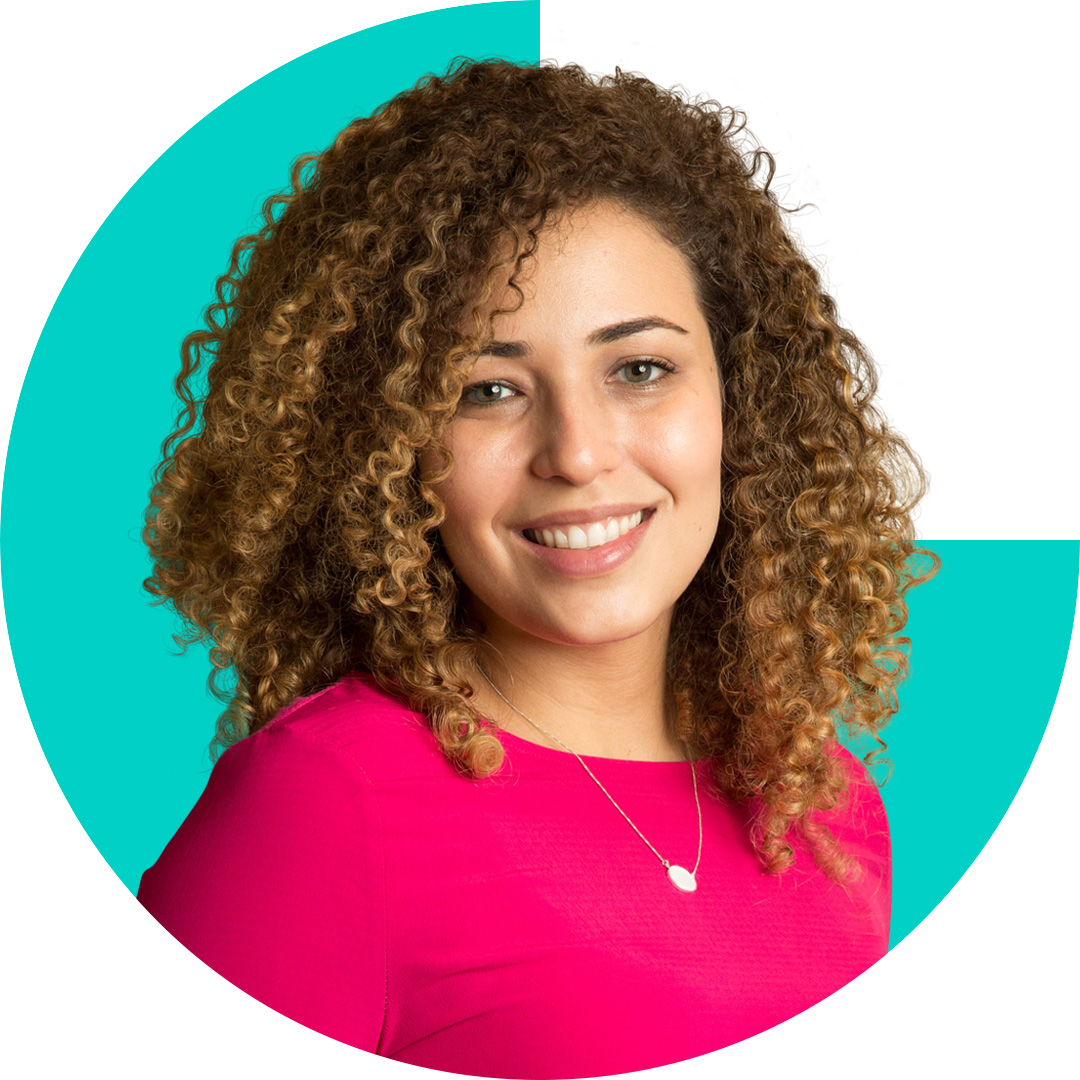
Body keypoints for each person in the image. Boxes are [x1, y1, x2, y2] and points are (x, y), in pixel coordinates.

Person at [137, 58, 937, 1078]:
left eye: (639, 370)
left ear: (740, 401)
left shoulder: (822, 809)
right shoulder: (325, 808)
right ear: (386, 442)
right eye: (487, 390)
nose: (578, 454)